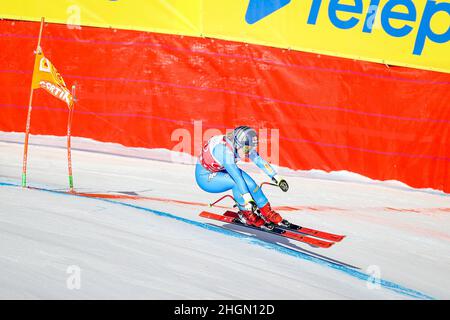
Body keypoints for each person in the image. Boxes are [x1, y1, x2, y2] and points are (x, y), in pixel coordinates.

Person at [195, 126, 289, 227]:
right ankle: (247, 214)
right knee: (236, 183)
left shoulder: (241, 144)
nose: (249, 151)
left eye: (252, 147)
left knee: (251, 183)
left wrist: (277, 178)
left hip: (220, 169)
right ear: (237, 143)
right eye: (247, 148)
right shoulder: (224, 151)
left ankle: (268, 213)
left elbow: (258, 160)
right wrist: (248, 200)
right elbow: (237, 178)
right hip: (206, 178)